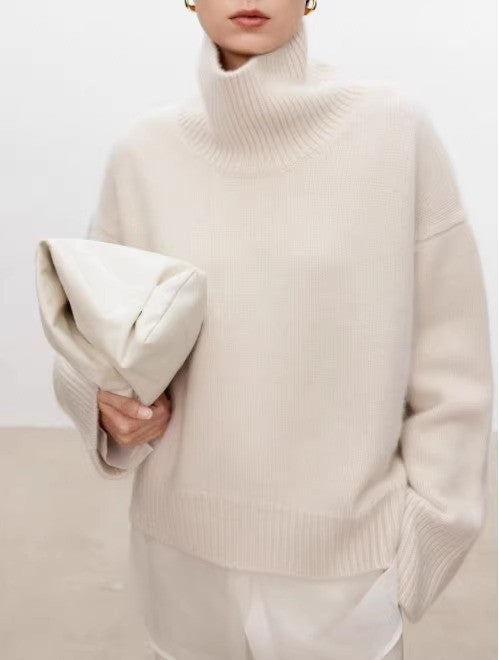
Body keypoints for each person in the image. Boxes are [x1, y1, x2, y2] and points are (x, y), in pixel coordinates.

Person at [52, 1, 495, 658]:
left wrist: (430, 534)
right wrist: (101, 403)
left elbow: (453, 362)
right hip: (180, 564)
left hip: (345, 574)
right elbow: (93, 341)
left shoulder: (391, 132)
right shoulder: (143, 155)